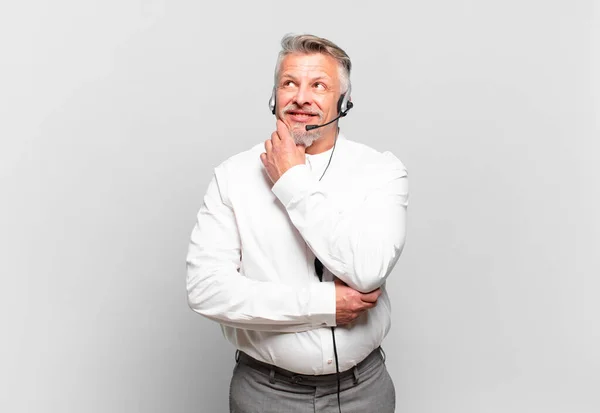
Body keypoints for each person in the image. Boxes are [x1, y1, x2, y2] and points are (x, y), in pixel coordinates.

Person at [186, 33, 408, 413]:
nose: (301, 98)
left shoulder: (381, 171)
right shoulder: (233, 176)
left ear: (344, 101)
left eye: (318, 85)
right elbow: (207, 290)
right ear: (274, 96)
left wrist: (292, 181)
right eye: (290, 83)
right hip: (265, 392)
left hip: (363, 391)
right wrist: (324, 304)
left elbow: (368, 270)